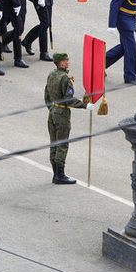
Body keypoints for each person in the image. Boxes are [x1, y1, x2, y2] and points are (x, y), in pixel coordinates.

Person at [44, 52, 93, 184]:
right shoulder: (65, 78)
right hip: (62, 114)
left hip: (53, 111)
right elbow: (69, 99)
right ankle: (60, 175)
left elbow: (47, 95)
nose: (67, 62)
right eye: (65, 60)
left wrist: (53, 109)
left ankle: (55, 174)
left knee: (54, 143)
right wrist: (85, 105)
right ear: (60, 63)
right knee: (62, 144)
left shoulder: (51, 75)